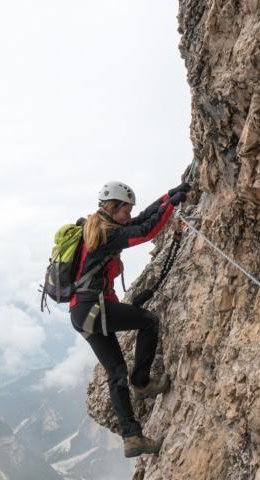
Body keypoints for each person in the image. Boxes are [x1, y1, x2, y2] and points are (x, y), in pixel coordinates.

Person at [69, 180, 193, 458]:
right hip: (94, 309)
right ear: (114, 208)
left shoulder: (99, 226)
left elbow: (140, 220)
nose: (129, 214)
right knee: (148, 321)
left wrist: (168, 196)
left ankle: (132, 438)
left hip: (82, 314)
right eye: (126, 210)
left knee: (115, 373)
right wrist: (172, 205)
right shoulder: (106, 233)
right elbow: (146, 231)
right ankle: (141, 383)